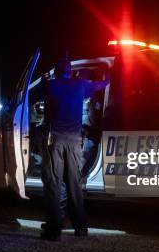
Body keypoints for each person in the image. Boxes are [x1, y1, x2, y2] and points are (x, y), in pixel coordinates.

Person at [40, 56, 108, 241]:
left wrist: (45, 80)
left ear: (56, 71)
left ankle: (53, 230)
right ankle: (81, 227)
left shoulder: (51, 85)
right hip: (74, 142)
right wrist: (109, 76)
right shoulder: (81, 85)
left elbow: (36, 97)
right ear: (71, 71)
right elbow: (103, 84)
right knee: (74, 185)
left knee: (54, 185)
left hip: (55, 141)